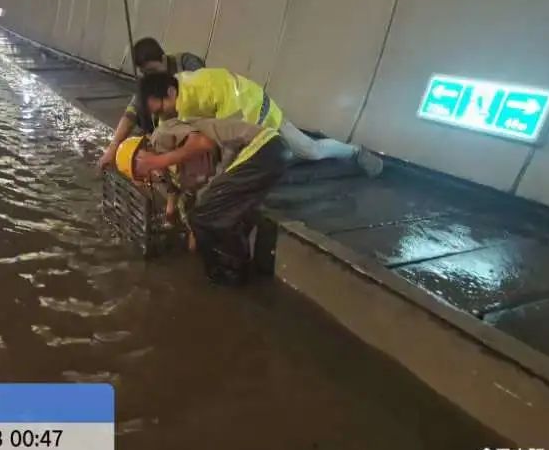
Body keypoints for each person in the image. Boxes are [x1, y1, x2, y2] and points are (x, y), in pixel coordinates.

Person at [129, 116, 292, 285]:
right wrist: (185, 226)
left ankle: (229, 274)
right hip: (265, 155)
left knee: (203, 217)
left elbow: (202, 142)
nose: (150, 175)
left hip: (260, 147)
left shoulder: (161, 135)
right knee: (214, 214)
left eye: (141, 168)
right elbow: (184, 194)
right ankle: (243, 269)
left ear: (142, 152)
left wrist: (157, 161)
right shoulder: (172, 172)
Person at [137, 69, 384, 177]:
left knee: (310, 150)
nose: (162, 116)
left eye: (161, 109)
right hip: (246, 113)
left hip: (259, 114)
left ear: (170, 93)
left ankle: (356, 152)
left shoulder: (205, 91)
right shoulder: (179, 91)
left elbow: (229, 138)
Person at [97, 37, 204, 169]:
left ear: (163, 59)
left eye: (152, 71)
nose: (150, 76)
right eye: (146, 73)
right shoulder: (150, 80)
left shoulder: (188, 64)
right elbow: (131, 112)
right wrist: (113, 148)